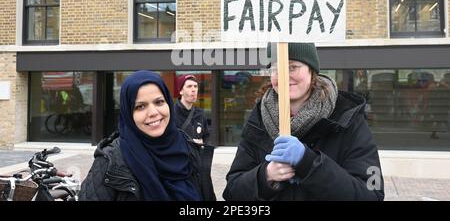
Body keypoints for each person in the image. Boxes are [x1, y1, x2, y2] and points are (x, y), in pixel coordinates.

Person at [222, 42, 384, 201]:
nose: (283, 76)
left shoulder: (348, 119)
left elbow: (372, 194)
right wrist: (265, 176)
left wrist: (308, 162)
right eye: (275, 69)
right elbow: (232, 191)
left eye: (292, 67)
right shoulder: (258, 119)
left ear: (311, 71)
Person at [79, 70, 215, 201]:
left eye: (159, 102)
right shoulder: (110, 161)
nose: (153, 112)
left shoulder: (190, 150)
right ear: (128, 113)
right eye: (140, 106)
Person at [174, 74, 210, 145]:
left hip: (196, 155)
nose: (193, 90)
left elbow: (207, 138)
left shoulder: (200, 114)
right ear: (181, 91)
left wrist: (202, 143)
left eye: (195, 86)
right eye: (189, 86)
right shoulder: (171, 113)